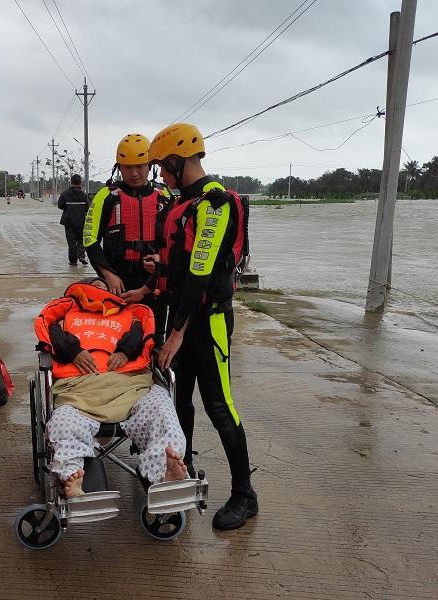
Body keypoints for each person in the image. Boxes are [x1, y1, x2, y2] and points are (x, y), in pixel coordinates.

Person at [130, 122, 257, 531]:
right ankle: (178, 474)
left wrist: (178, 334)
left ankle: (245, 495)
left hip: (208, 322)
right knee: (178, 401)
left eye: (162, 168)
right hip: (181, 317)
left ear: (178, 160)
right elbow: (180, 268)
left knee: (220, 406)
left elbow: (201, 275)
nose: (159, 177)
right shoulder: (181, 204)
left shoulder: (216, 204)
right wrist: (150, 281)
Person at [34, 277, 187, 497]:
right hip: (80, 390)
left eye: (103, 286)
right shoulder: (67, 314)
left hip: (130, 386)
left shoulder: (129, 315)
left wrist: (125, 351)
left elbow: (138, 335)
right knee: (63, 423)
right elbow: (53, 333)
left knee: (161, 408)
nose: (99, 289)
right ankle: (72, 477)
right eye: (93, 285)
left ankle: (164, 471)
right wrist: (73, 351)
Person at [82, 134, 170, 342]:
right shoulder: (106, 196)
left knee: (154, 336)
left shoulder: (164, 195)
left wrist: (161, 262)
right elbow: (89, 239)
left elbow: (174, 239)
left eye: (140, 166)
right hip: (118, 278)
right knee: (117, 335)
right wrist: (108, 274)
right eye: (127, 167)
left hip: (154, 278)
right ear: (119, 168)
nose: (134, 173)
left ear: (150, 166)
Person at [58, 174, 89, 266]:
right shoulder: (84, 195)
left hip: (68, 221)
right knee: (81, 239)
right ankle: (81, 255)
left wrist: (69, 208)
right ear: (80, 183)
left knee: (71, 241)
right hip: (81, 221)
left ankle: (73, 261)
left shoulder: (65, 194)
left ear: (71, 182)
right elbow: (88, 208)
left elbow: (60, 206)